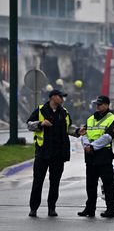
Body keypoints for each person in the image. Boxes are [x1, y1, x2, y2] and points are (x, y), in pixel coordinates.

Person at [27, 89, 83, 218]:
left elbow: (68, 128)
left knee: (55, 182)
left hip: (58, 154)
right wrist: (41, 123)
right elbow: (29, 125)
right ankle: (33, 209)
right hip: (42, 153)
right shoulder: (41, 110)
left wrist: (77, 132)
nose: (63, 99)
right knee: (38, 182)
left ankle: (52, 208)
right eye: (60, 96)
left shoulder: (64, 112)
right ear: (52, 97)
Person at [78, 95, 114, 218]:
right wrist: (86, 145)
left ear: (107, 105)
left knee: (108, 185)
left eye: (100, 104)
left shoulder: (113, 119)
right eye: (96, 104)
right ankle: (90, 209)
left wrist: (92, 147)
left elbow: (108, 137)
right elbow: (83, 133)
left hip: (104, 156)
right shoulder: (90, 118)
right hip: (90, 156)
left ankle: (110, 210)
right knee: (90, 185)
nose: (97, 106)